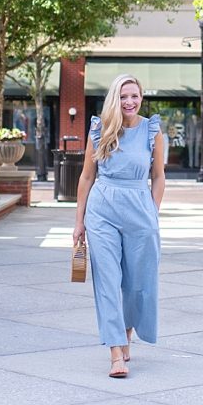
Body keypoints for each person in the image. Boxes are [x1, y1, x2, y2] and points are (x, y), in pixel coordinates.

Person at [72, 74, 165, 379]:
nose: (129, 102)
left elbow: (159, 176)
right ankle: (115, 352)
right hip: (103, 209)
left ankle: (126, 334)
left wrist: (153, 212)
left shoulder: (152, 130)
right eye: (124, 96)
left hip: (140, 207)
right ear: (115, 97)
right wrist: (79, 222)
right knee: (108, 281)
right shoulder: (100, 129)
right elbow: (87, 176)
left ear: (141, 97)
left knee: (137, 283)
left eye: (135, 96)